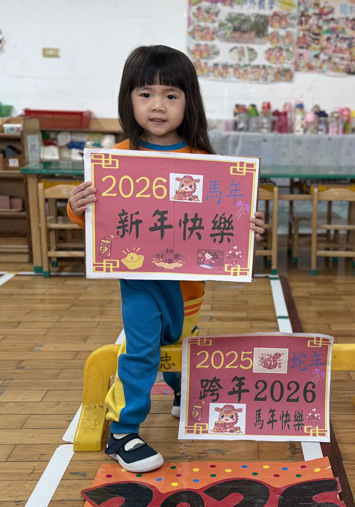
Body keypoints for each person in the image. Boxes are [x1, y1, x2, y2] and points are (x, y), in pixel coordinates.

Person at [66, 45, 265, 473]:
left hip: (189, 287)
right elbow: (101, 221)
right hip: (139, 283)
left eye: (171, 95)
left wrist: (246, 226)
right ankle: (123, 432)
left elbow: (225, 221)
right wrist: (76, 206)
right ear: (129, 99)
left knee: (180, 343)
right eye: (146, 94)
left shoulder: (205, 162)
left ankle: (178, 391)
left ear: (189, 102)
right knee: (142, 350)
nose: (158, 105)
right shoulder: (115, 160)